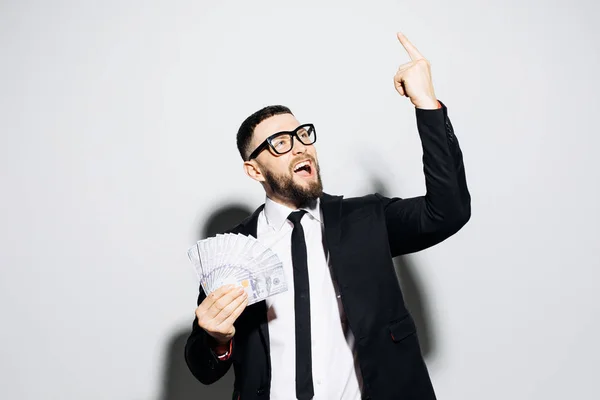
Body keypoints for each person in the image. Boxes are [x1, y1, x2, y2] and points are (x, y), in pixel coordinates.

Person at [184, 32, 471, 400]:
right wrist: (215, 338)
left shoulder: (365, 219)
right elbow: (203, 369)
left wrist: (426, 103)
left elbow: (448, 211)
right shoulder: (233, 252)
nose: (300, 146)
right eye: (280, 143)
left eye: (302, 135)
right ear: (254, 171)